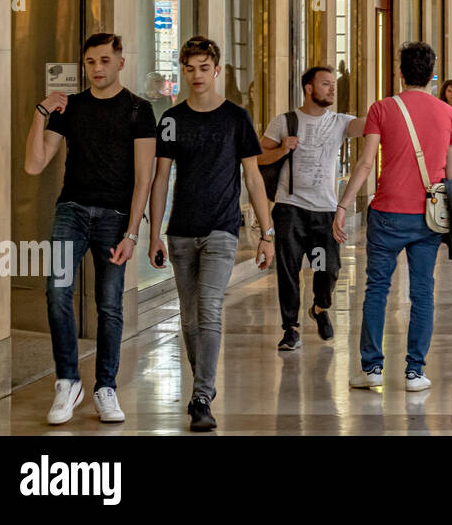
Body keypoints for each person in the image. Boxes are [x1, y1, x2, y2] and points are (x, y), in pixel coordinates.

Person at [24, 33, 157, 425]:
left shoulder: (138, 110)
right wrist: (40, 113)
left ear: (119, 62)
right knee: (57, 290)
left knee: (110, 305)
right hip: (72, 211)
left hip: (116, 218)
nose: (96, 69)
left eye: (103, 60)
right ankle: (68, 381)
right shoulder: (71, 108)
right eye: (90, 62)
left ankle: (105, 387)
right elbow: (34, 164)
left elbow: (144, 177)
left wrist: (133, 233)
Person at [147, 36, 274, 432]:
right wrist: (154, 234)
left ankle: (201, 395)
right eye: (189, 68)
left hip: (222, 229)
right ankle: (203, 384)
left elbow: (253, 178)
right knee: (188, 320)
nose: (196, 75)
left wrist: (266, 234)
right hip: (181, 232)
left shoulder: (237, 118)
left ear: (216, 70)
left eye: (204, 68)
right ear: (183, 71)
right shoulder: (171, 119)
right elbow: (160, 178)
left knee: (209, 309)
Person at [335, 42, 452, 392]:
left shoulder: (382, 109)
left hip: (387, 212)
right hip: (429, 217)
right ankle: (414, 372)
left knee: (377, 288)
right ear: (432, 74)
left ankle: (372, 368)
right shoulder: (447, 114)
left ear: (401, 72)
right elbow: (451, 174)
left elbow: (364, 164)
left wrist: (343, 205)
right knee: (423, 293)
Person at [257, 66, 365, 351]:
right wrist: (281, 150)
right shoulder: (285, 121)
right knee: (289, 270)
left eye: (333, 85)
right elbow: (257, 157)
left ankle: (319, 307)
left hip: (324, 212)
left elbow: (369, 125)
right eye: (326, 84)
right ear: (308, 88)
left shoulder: (341, 121)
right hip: (289, 208)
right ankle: (290, 328)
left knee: (326, 267)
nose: (332, 89)